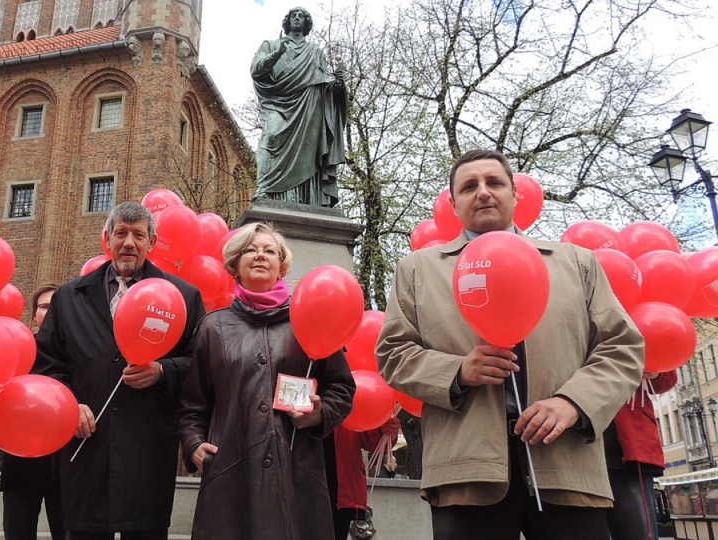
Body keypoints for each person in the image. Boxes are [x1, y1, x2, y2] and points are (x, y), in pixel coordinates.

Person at [376, 149, 645, 539]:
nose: (483, 192)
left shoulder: (576, 263)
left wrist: (573, 403)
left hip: (566, 464)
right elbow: (394, 354)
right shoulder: (417, 270)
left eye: (494, 183)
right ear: (453, 203)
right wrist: (456, 371)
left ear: (516, 195)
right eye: (469, 186)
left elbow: (622, 347)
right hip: (465, 470)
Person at [35, 202, 205, 539]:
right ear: (107, 239)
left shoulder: (183, 297)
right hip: (86, 447)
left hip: (147, 449)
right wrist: (67, 404)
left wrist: (163, 370)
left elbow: (201, 366)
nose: (129, 242)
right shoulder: (70, 297)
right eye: (121, 233)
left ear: (152, 242)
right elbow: (47, 364)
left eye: (138, 235)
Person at [177, 221, 356, 540]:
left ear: (282, 265)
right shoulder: (213, 328)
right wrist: (193, 446)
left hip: (297, 474)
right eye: (250, 249)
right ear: (234, 263)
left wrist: (319, 413)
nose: (260, 255)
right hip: (230, 476)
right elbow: (193, 404)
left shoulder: (309, 320)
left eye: (269, 250)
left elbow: (341, 388)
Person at [250, 7, 347, 207]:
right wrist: (276, 54)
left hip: (309, 107)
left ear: (306, 23)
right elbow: (256, 70)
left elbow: (323, 82)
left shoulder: (314, 52)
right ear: (287, 22)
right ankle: (264, 189)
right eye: (293, 16)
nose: (296, 18)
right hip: (277, 103)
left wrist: (337, 86)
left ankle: (308, 199)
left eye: (301, 16)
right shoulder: (270, 45)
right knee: (271, 136)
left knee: (310, 154)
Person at [1, 282, 65, 540]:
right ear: (34, 314)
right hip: (20, 461)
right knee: (17, 531)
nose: (49, 312)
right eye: (43, 307)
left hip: (66, 463)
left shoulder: (78, 352)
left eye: (56, 307)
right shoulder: (16, 349)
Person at [604, 370, 677, 539]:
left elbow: (666, 378)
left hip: (625, 450)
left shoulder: (637, 343)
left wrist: (654, 374)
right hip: (578, 449)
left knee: (637, 530)